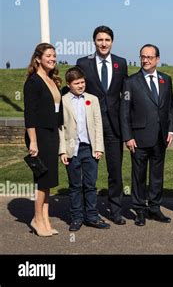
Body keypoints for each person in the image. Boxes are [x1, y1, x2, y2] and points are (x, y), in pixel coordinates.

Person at [76, 26, 128, 225]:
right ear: (94, 42)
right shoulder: (83, 63)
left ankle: (115, 211)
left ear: (112, 42)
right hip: (90, 126)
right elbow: (77, 90)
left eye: (107, 39)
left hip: (114, 127)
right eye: (100, 40)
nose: (103, 43)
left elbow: (125, 94)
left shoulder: (121, 63)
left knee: (115, 171)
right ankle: (87, 211)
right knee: (89, 172)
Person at [120, 44, 173, 226]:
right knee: (139, 175)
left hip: (160, 137)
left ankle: (154, 208)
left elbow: (169, 107)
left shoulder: (165, 80)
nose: (145, 60)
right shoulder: (130, 82)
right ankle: (140, 210)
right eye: (142, 57)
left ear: (157, 59)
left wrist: (171, 129)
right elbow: (125, 111)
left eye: (149, 57)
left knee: (157, 175)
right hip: (139, 138)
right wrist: (128, 136)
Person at [59, 67, 110, 231]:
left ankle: (92, 216)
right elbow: (60, 127)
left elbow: (98, 124)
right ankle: (76, 218)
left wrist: (99, 147)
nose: (81, 85)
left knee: (90, 184)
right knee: (75, 186)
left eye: (82, 82)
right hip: (71, 149)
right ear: (69, 84)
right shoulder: (63, 100)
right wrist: (62, 151)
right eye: (76, 83)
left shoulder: (92, 99)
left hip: (89, 148)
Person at [24, 43, 63, 237]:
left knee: (48, 180)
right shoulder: (33, 82)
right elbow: (29, 115)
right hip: (39, 135)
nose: (52, 58)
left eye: (54, 55)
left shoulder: (51, 79)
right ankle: (37, 219)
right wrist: (33, 141)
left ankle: (45, 219)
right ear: (38, 58)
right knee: (42, 179)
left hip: (51, 134)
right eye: (48, 55)